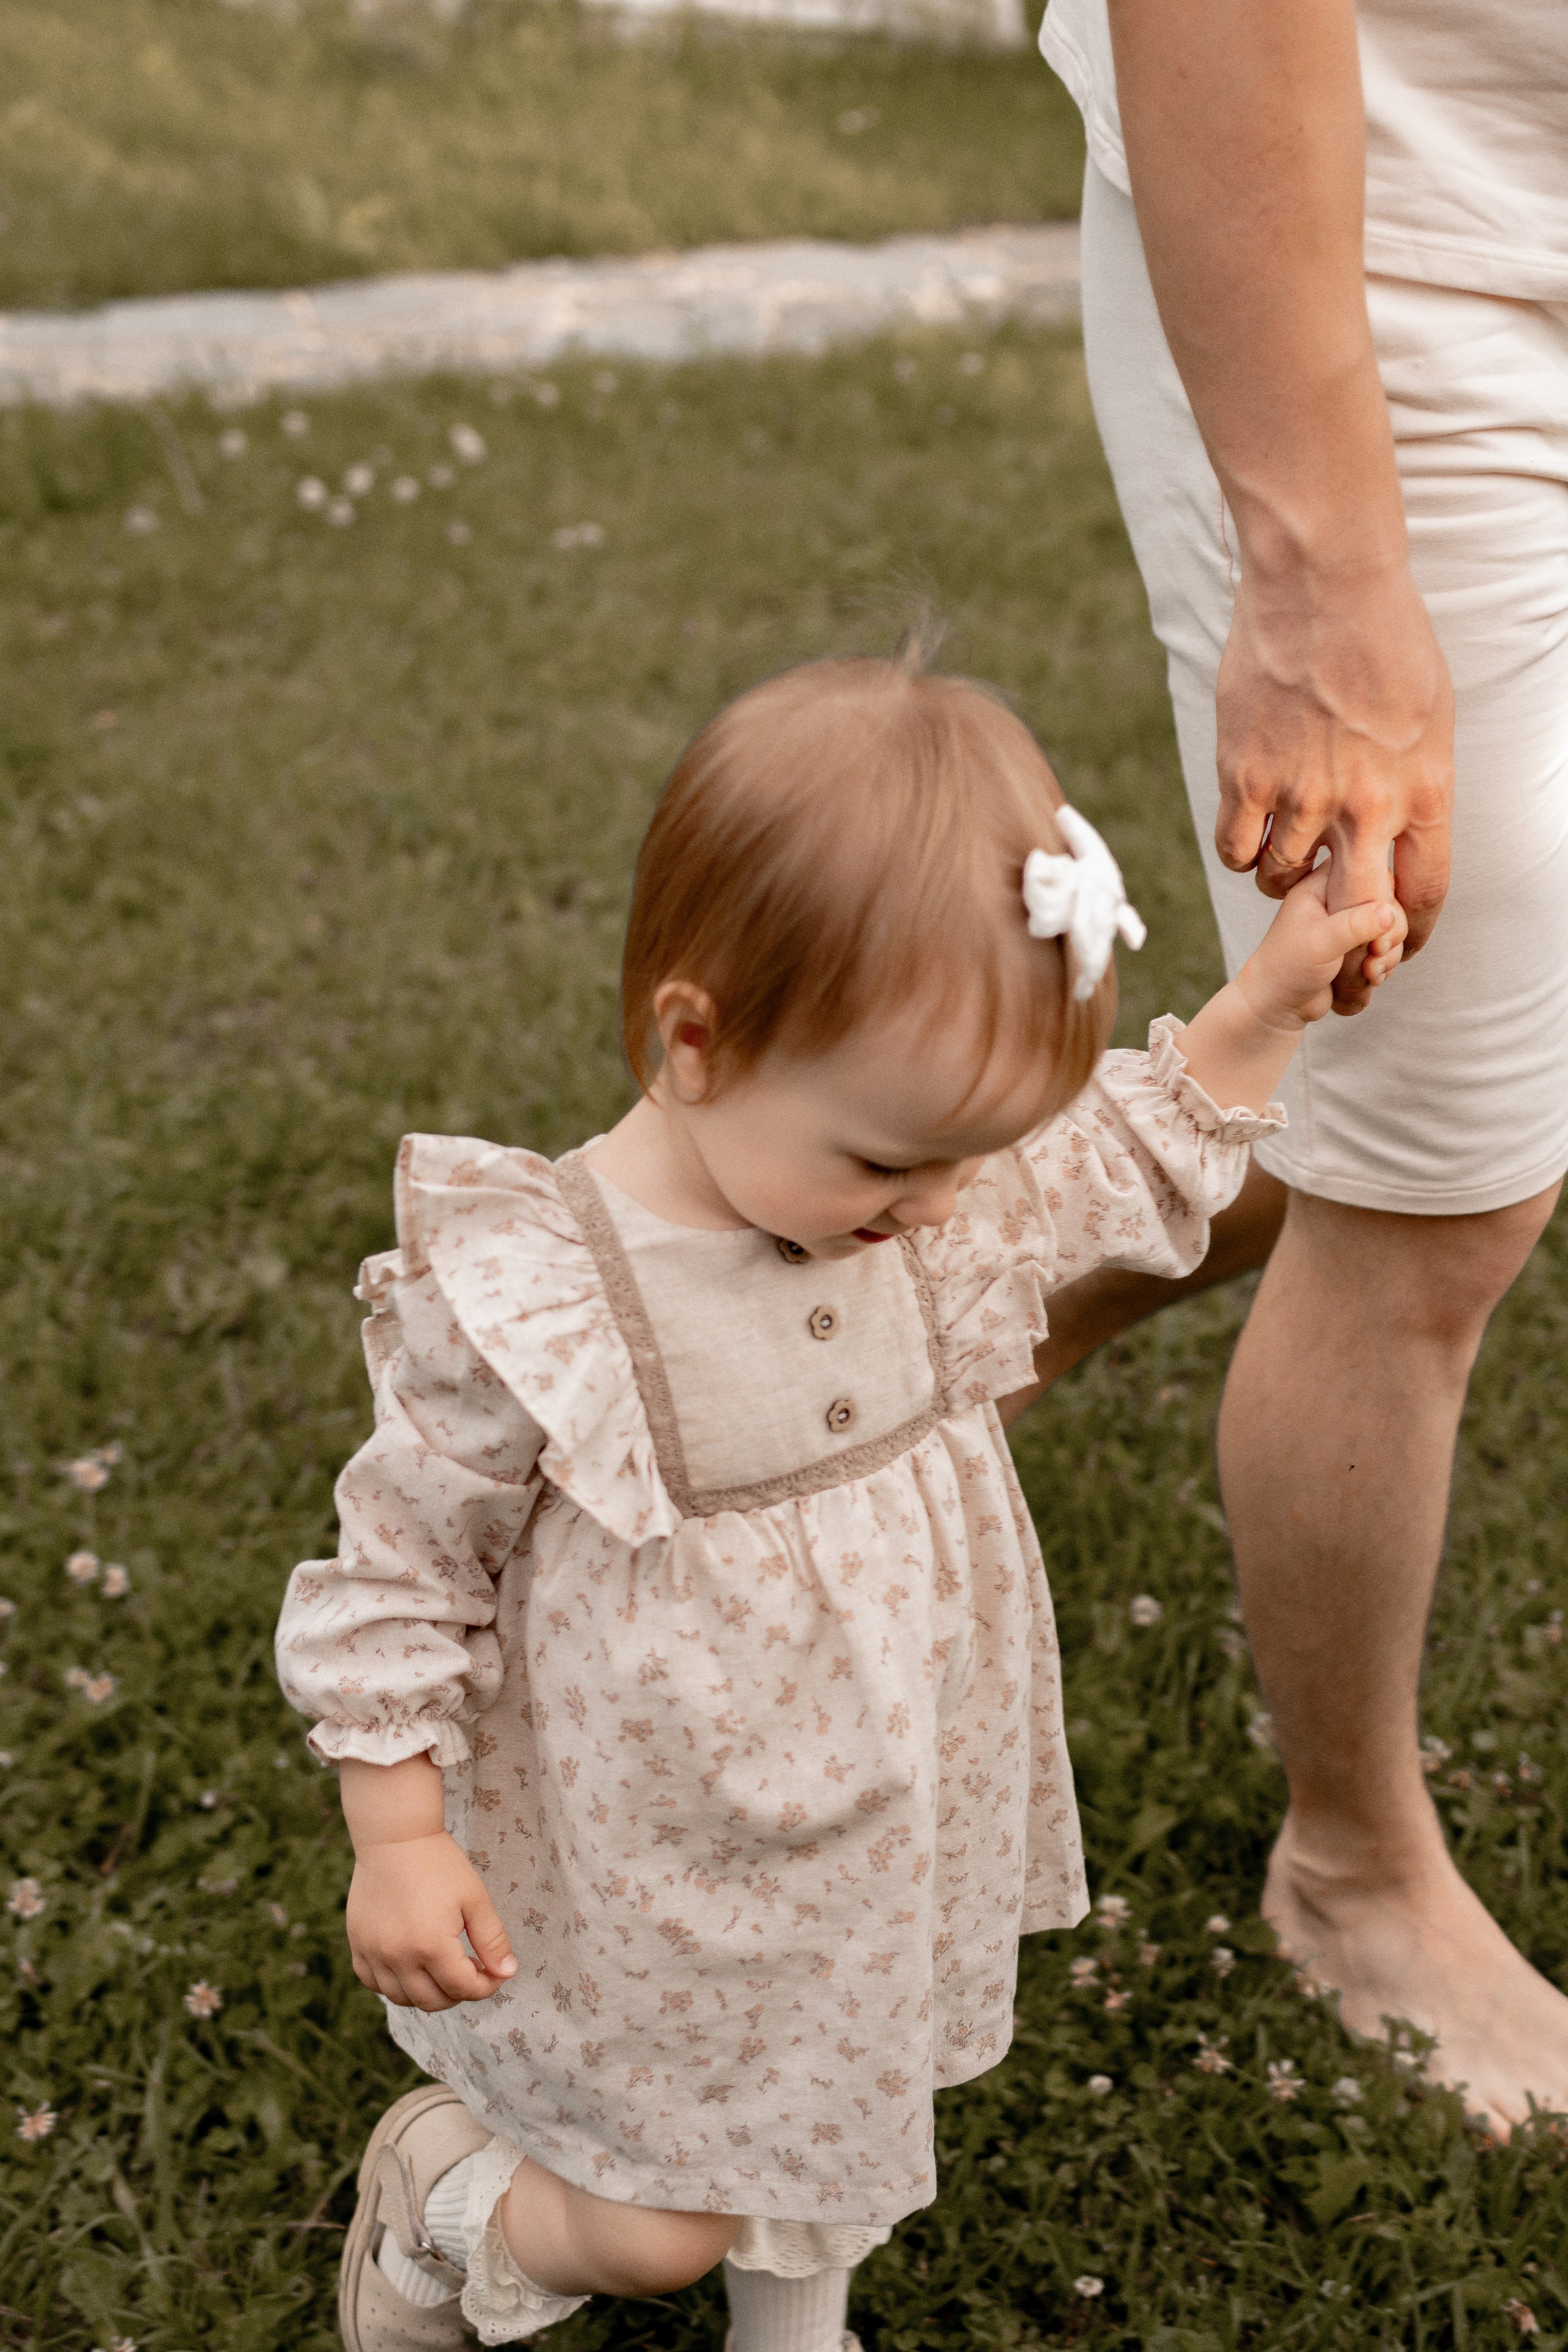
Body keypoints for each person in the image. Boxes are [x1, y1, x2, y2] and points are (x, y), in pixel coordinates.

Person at [274, 647, 1401, 2352]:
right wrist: (401, 1831)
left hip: (884, 1773)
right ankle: (447, 2207)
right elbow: (403, 1568)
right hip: (655, 1831)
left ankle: (795, 2332)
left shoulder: (906, 1174)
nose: (946, 1212)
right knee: (654, 2222)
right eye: (895, 1162)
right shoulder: (540, 1290)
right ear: (696, 1038)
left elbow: (1105, 1163)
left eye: (968, 1156)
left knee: (837, 2071)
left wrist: (1267, 1007)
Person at [1030, 0, 1568, 2134]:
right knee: (1439, 1180)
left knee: (1402, 1122)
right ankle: (1351, 1872)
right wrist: (1328, 575)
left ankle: (780, 1351)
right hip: (1402, 262)